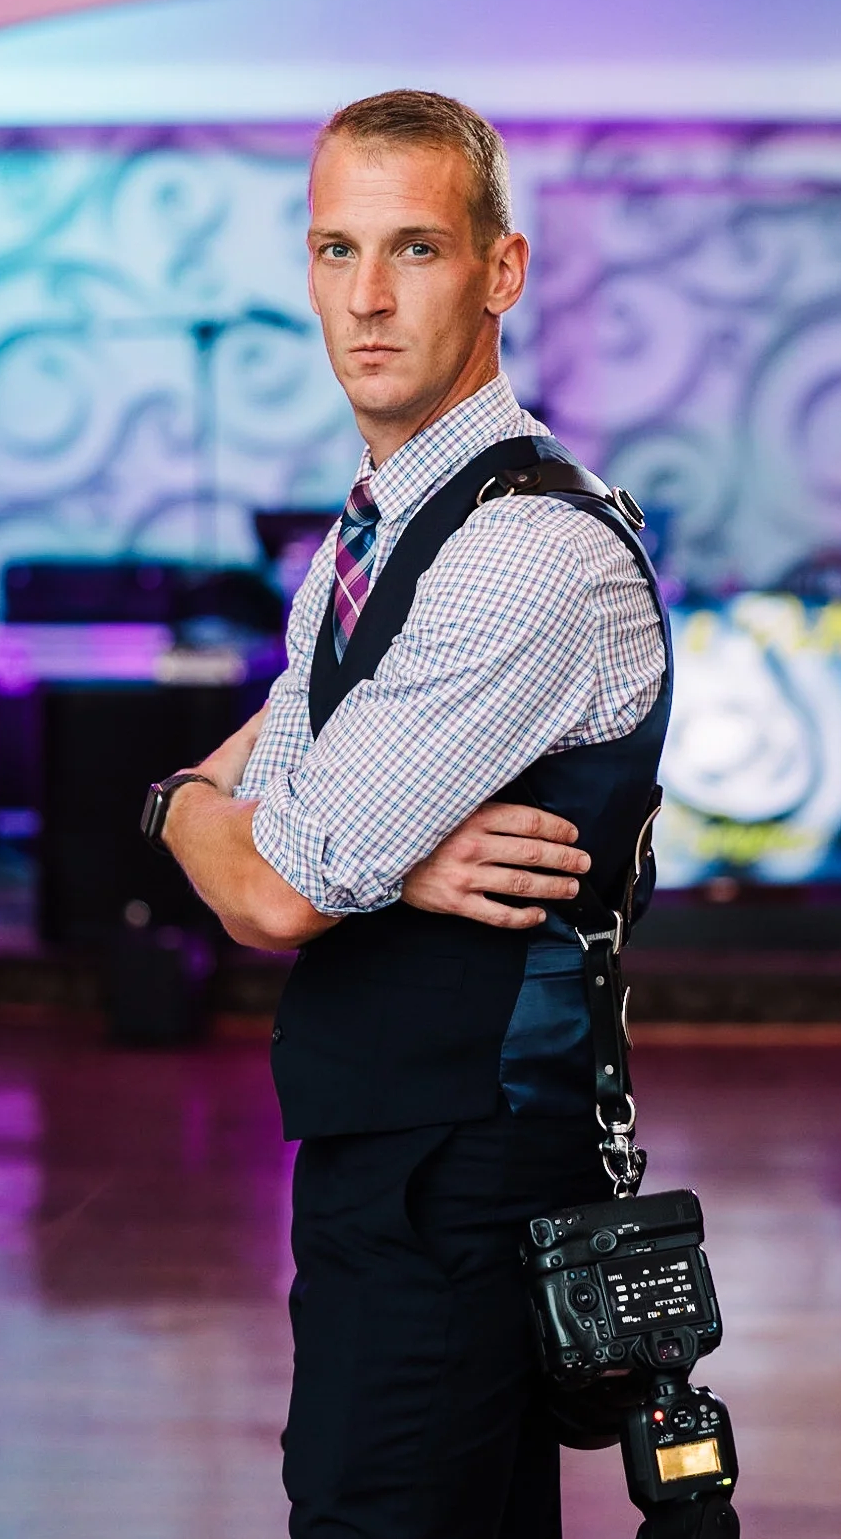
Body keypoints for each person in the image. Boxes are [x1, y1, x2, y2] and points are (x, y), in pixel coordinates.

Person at [158, 90, 670, 1538]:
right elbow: (265, 788)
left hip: (460, 1169)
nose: (367, 299)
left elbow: (272, 890)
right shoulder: (377, 532)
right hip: (395, 1148)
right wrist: (299, 828)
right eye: (337, 249)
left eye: (416, 249)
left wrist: (196, 809)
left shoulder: (523, 552)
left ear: (501, 271)